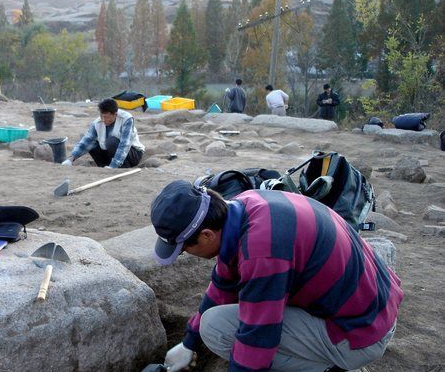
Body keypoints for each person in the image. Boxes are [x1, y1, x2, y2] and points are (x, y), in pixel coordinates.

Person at [150, 181, 403, 372]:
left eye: (184, 249)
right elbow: (222, 286)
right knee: (211, 324)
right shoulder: (244, 204)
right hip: (372, 304)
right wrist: (189, 343)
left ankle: (327, 367)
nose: (186, 254)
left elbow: (258, 338)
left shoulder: (262, 253)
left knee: (219, 331)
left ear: (206, 236)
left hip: (361, 333)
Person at [62, 98, 144, 169]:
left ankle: (121, 168)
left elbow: (124, 145)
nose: (103, 119)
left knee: (111, 141)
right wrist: (70, 159)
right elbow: (86, 141)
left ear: (115, 114)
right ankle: (104, 168)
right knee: (92, 144)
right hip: (111, 154)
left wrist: (114, 165)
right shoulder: (97, 122)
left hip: (132, 154)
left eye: (106, 117)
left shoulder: (126, 119)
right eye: (102, 116)